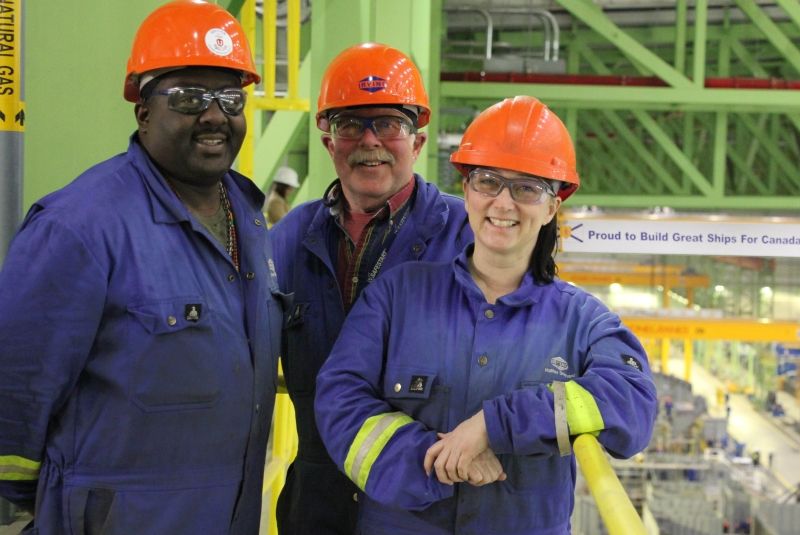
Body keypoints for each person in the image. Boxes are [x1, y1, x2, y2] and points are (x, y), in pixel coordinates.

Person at [0, 2, 283, 533]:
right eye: (189, 97)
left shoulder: (248, 216)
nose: (215, 115)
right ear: (144, 111)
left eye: (229, 97)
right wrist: (64, 500)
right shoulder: (79, 228)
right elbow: (12, 391)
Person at [315, 96, 657, 534]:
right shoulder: (399, 295)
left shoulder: (583, 322)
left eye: (527, 188)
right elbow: (340, 398)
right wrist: (437, 460)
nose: (503, 203)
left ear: (553, 206)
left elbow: (634, 403)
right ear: (466, 190)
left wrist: (496, 425)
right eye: (488, 181)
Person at [270, 42, 472, 534]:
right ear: (328, 142)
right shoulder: (290, 239)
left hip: (430, 503)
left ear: (417, 142)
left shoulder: (467, 235)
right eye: (350, 125)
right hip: (318, 502)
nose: (370, 141)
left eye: (388, 124)